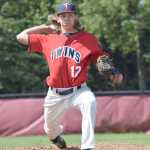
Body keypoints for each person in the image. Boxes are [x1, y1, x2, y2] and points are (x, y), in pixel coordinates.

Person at [16, 1, 123, 150]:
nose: (67, 18)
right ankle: (55, 138)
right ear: (58, 19)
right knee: (50, 128)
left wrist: (115, 73)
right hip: (55, 93)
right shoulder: (48, 39)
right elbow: (20, 36)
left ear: (75, 18)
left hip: (78, 90)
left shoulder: (87, 39)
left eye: (70, 15)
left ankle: (88, 147)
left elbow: (102, 59)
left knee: (89, 101)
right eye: (63, 16)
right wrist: (46, 28)